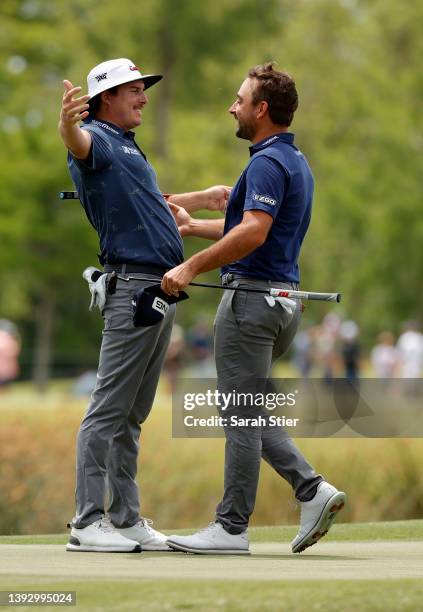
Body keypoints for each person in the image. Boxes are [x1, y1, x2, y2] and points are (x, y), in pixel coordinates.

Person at [161, 63, 346, 555]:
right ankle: (312, 490)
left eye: (239, 100)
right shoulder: (293, 160)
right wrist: (193, 226)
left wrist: (191, 267)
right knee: (245, 411)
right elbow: (251, 227)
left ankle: (231, 528)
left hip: (250, 303)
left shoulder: (264, 163)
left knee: (239, 415)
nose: (232, 107)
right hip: (281, 303)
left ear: (261, 109)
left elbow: (253, 232)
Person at [59, 57, 229, 553]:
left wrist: (199, 198)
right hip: (132, 289)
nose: (144, 97)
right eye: (134, 89)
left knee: (132, 413)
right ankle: (87, 521)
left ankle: (126, 517)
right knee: (107, 410)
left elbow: (147, 197)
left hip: (157, 290)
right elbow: (78, 145)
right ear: (105, 99)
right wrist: (67, 124)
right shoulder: (95, 139)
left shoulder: (126, 148)